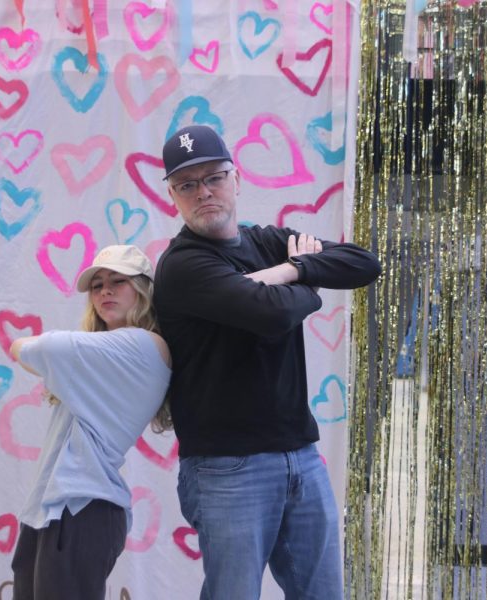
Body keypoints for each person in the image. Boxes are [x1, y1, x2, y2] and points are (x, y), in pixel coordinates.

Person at [154, 124, 382, 599]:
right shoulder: (183, 265)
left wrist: (288, 269)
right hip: (226, 467)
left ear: (236, 179)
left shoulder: (267, 242)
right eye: (187, 185)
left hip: (301, 454)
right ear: (173, 196)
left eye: (213, 177)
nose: (204, 193)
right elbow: (271, 316)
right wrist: (309, 281)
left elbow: (363, 263)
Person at [8, 244, 171, 600]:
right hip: (50, 507)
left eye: (118, 281)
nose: (105, 291)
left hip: (83, 506)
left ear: (143, 290)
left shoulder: (145, 344)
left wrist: (23, 344)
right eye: (97, 285)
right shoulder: (100, 355)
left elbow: (33, 349)